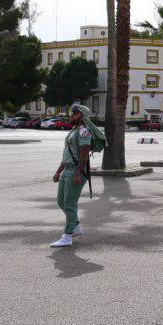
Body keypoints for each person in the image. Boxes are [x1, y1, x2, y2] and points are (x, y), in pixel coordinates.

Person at [50, 104, 101, 248]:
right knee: (61, 201)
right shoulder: (73, 131)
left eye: (75, 113)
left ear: (82, 116)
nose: (72, 115)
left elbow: (84, 154)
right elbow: (67, 154)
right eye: (72, 113)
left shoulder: (84, 131)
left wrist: (78, 174)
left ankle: (68, 236)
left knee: (70, 204)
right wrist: (58, 171)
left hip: (76, 171)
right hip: (67, 170)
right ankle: (76, 226)